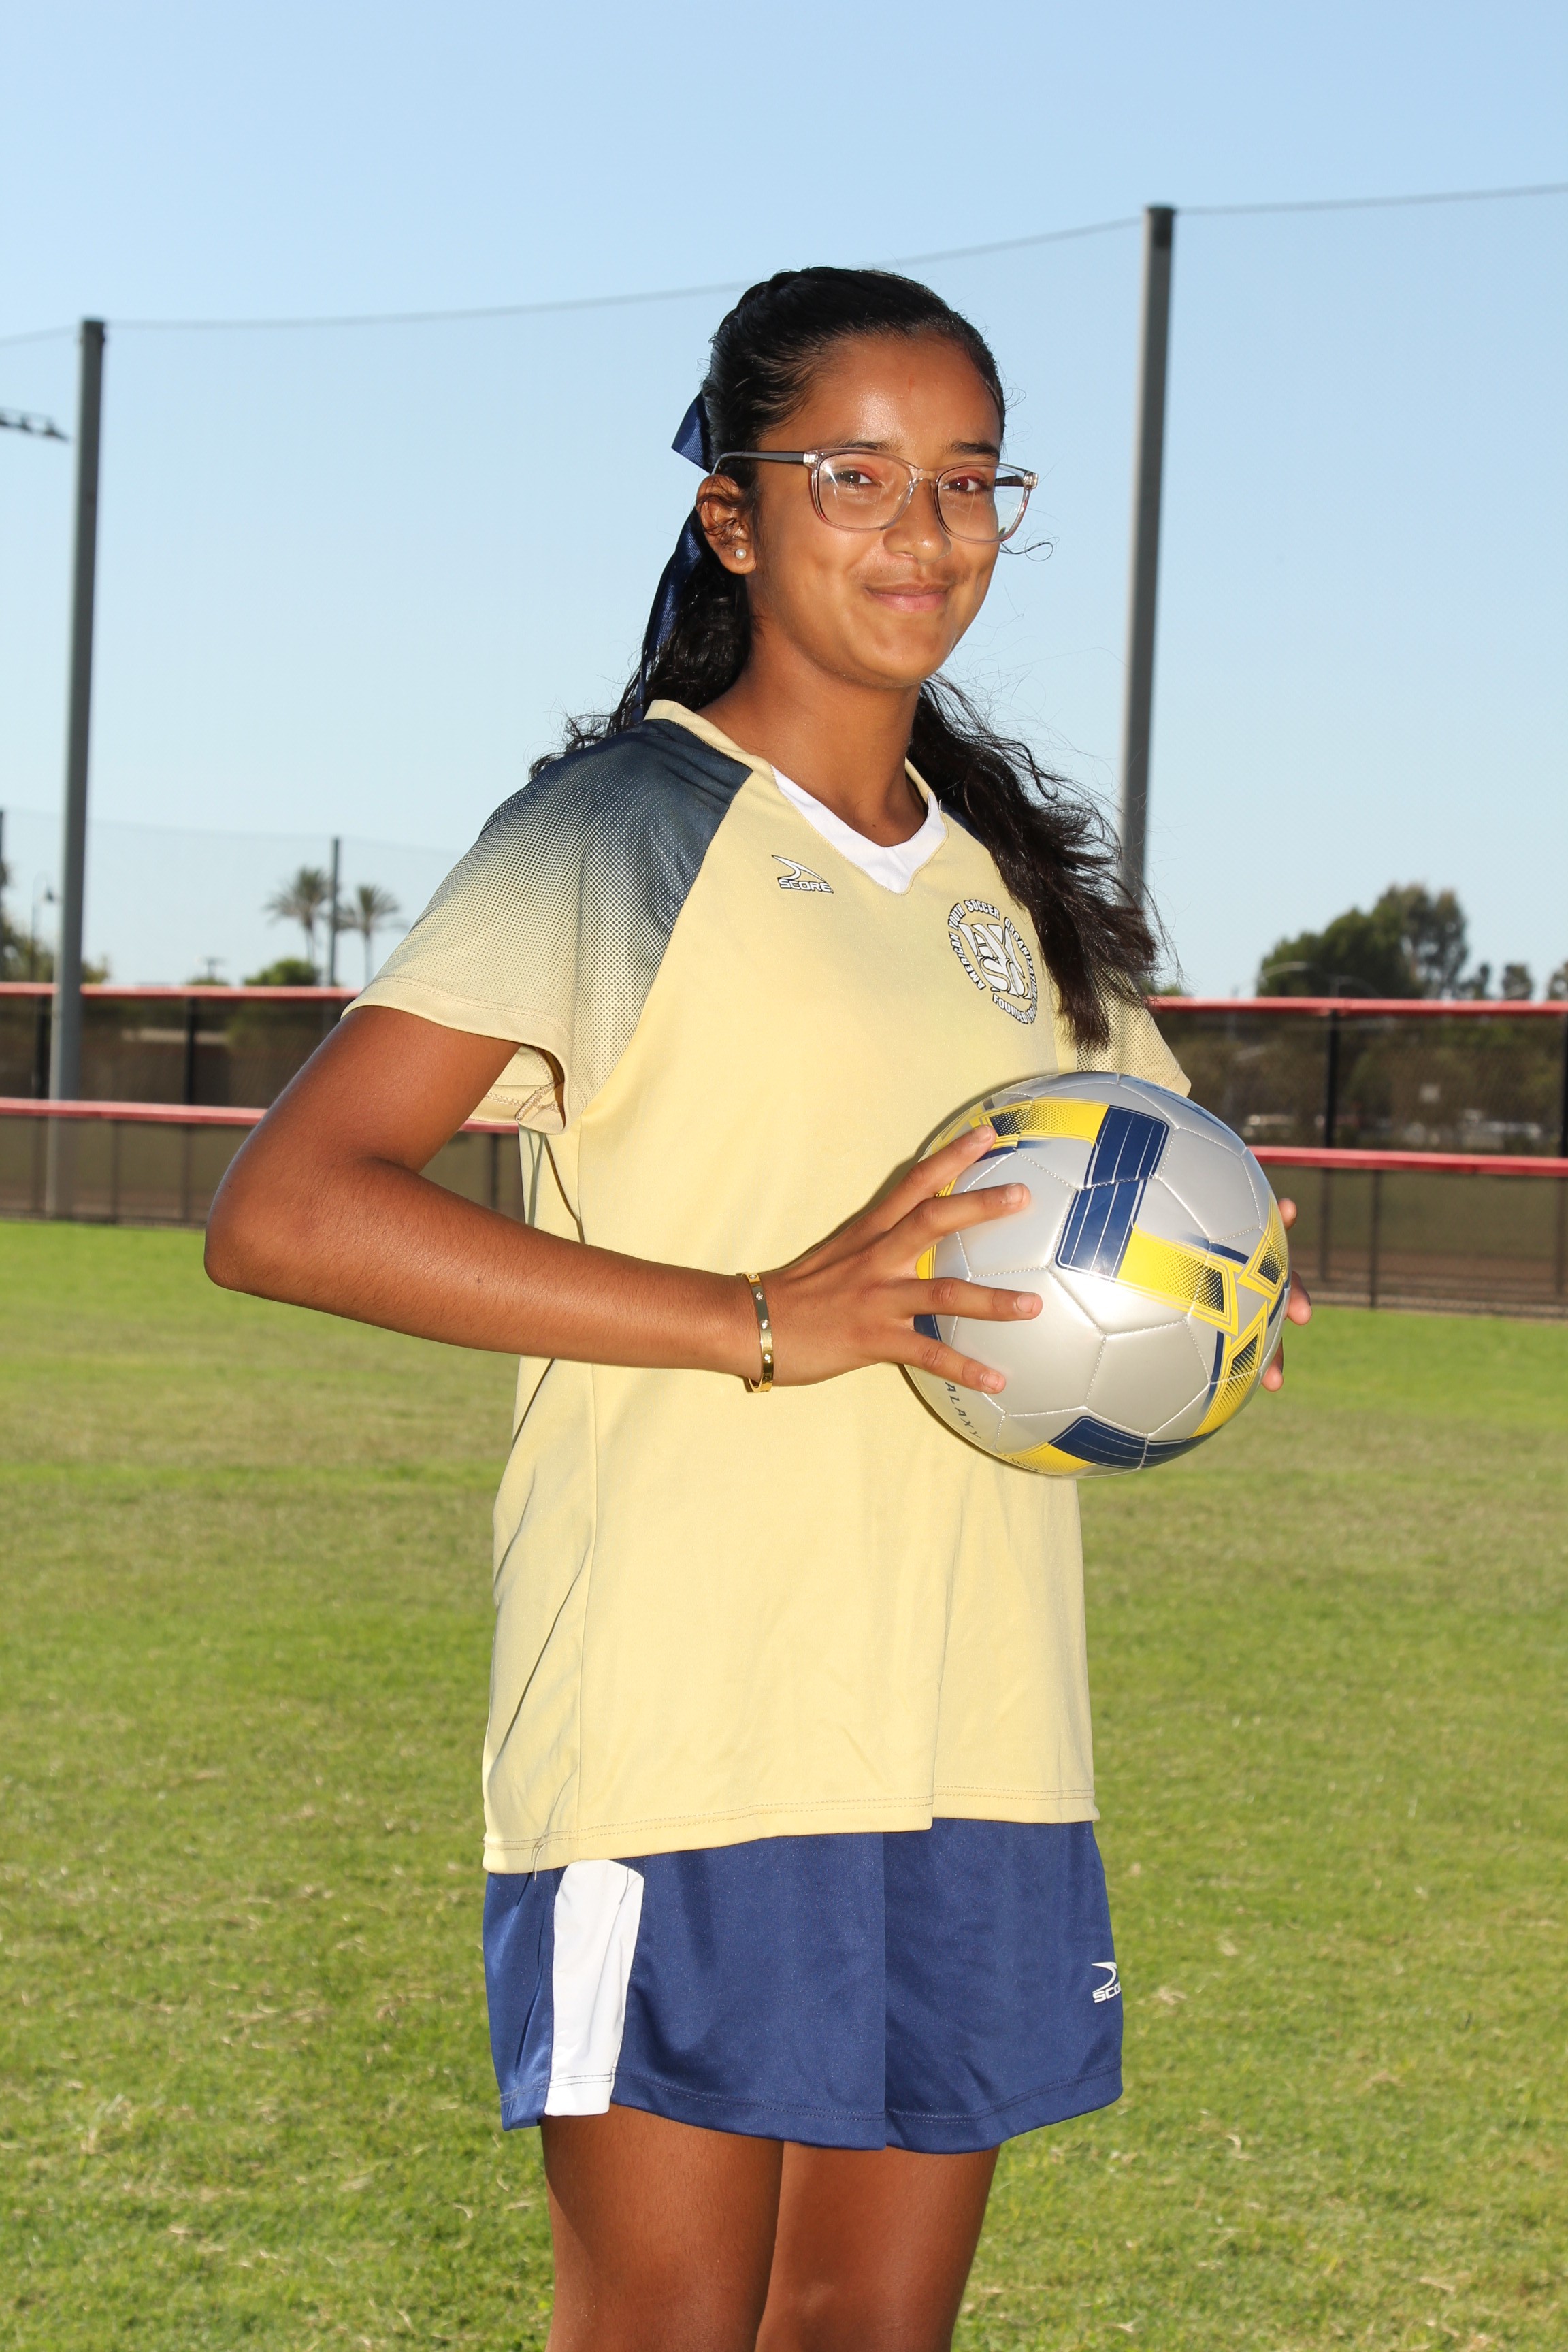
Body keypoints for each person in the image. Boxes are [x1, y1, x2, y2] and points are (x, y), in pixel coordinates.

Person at [206, 266, 1310, 2352]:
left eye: (969, 482)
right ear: (734, 514)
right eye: (856, 478)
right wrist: (766, 1316)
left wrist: (1227, 1303)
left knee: (874, 2334)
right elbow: (288, 1207)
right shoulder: (618, 832)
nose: (925, 533)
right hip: (687, 1735)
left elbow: (1156, 1188)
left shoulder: (1009, 891)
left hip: (980, 1729)